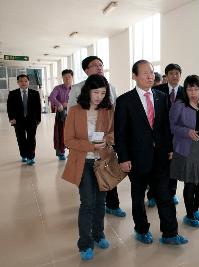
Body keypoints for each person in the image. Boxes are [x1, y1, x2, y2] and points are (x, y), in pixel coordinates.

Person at [114, 60, 188, 245]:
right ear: (134, 76)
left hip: (161, 157)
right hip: (136, 158)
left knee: (165, 195)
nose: (150, 76)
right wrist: (123, 158)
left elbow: (165, 127)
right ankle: (141, 229)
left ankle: (170, 233)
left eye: (152, 72)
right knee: (138, 197)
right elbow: (120, 133)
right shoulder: (124, 100)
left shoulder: (160, 97)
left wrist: (170, 148)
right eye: (145, 73)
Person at [62, 74, 114, 260]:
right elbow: (68, 140)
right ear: (87, 92)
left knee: (101, 202)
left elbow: (112, 132)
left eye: (103, 92)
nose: (99, 96)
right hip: (83, 162)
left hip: (102, 162)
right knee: (87, 203)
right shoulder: (75, 111)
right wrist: (91, 146)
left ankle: (99, 234)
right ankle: (85, 243)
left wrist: (107, 140)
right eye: (95, 92)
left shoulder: (107, 110)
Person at [67, 56, 126, 218]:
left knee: (108, 174)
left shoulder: (110, 87)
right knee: (88, 181)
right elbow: (71, 114)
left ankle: (113, 205)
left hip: (105, 140)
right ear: (86, 70)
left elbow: (114, 113)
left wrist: (111, 136)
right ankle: (89, 203)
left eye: (101, 65)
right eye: (94, 65)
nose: (99, 67)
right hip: (84, 143)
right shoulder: (77, 88)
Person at [169, 75, 199, 228]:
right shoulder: (179, 105)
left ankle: (195, 209)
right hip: (186, 147)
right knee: (190, 183)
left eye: (196, 89)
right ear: (185, 90)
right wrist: (186, 131)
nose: (193, 92)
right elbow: (172, 126)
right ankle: (189, 215)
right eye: (190, 89)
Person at [147, 63, 184, 207]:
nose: (174, 76)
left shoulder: (184, 92)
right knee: (156, 165)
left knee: (172, 165)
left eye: (177, 73)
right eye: (171, 73)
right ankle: (152, 194)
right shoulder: (156, 90)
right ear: (166, 76)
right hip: (159, 134)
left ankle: (172, 193)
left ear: (180, 75)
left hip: (177, 136)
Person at [7, 74, 41, 165]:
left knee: (31, 139)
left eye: (25, 81)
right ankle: (24, 155)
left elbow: (38, 107)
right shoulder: (13, 93)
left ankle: (31, 157)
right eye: (21, 81)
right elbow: (9, 107)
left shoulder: (35, 93)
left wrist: (38, 119)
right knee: (21, 139)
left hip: (32, 120)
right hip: (18, 121)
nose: (23, 83)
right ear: (18, 83)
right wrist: (11, 118)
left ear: (28, 82)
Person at [48, 69, 73, 160]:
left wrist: (68, 103)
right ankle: (61, 152)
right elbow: (51, 97)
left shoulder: (75, 88)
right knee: (60, 133)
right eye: (65, 77)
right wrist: (59, 104)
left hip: (73, 114)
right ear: (62, 78)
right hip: (61, 114)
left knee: (73, 134)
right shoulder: (58, 88)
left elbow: (79, 99)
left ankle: (72, 152)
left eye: (69, 77)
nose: (67, 79)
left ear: (72, 78)